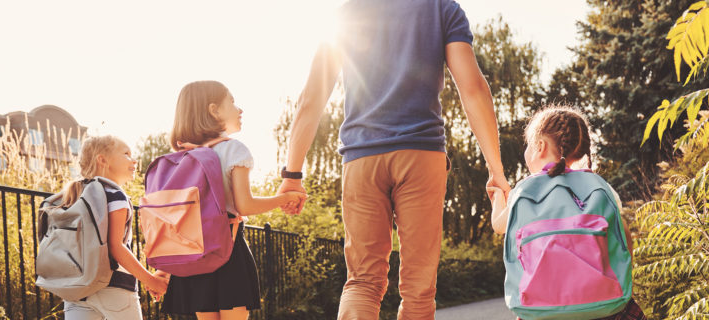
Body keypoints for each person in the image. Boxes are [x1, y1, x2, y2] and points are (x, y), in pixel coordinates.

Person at [277, 0, 509, 318]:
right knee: (419, 288)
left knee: (362, 282)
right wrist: (496, 171)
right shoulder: (442, 9)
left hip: (361, 158)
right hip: (422, 155)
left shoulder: (347, 13)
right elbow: (473, 89)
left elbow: (311, 99)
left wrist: (292, 174)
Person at [159, 80, 306, 320]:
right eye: (233, 102)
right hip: (227, 247)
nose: (240, 109)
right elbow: (244, 205)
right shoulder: (233, 150)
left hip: (194, 252)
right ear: (214, 110)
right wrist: (285, 198)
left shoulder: (183, 155)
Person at [489, 105, 646, 320]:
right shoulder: (600, 187)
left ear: (540, 146)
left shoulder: (525, 190)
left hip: (541, 308)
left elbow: (499, 226)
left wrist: (499, 197)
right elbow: (625, 239)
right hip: (604, 305)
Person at [60, 135, 169, 320]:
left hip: (75, 287)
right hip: (114, 286)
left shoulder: (75, 194)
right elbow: (115, 246)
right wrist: (150, 280)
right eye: (126, 154)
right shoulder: (114, 195)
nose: (134, 160)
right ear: (102, 160)